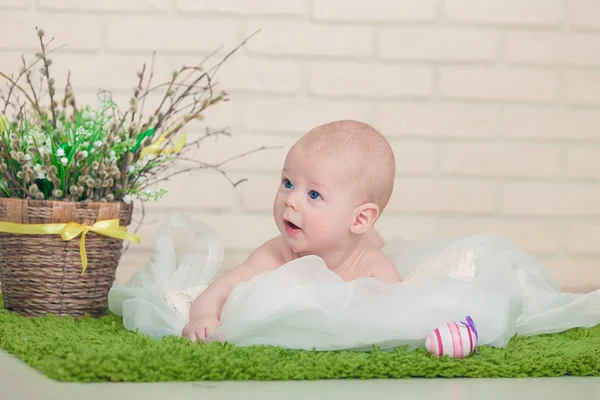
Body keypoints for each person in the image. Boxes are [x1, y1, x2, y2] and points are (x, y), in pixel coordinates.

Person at [182, 120, 402, 343]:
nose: (291, 200)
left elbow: (401, 317)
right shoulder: (277, 253)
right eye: (288, 183)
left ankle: (375, 238)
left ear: (360, 219)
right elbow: (226, 284)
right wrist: (204, 316)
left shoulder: (374, 270)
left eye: (314, 194)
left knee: (382, 249)